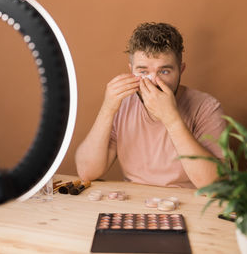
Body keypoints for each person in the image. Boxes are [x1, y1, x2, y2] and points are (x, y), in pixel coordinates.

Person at [75, 22, 226, 189]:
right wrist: (107, 110)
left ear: (181, 70)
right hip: (135, 205)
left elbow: (214, 185)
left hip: (188, 205)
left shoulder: (207, 108)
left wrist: (171, 119)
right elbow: (87, 172)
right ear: (131, 70)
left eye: (164, 71)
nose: (154, 81)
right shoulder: (122, 104)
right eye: (143, 72)